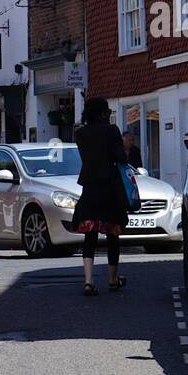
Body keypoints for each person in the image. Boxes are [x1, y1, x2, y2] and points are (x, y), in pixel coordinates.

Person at [72, 97, 129, 296]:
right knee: (112, 233)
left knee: (90, 235)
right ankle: (113, 280)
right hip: (109, 188)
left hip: (89, 187)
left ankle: (88, 281)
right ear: (103, 113)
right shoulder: (111, 131)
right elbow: (120, 157)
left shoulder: (80, 134)